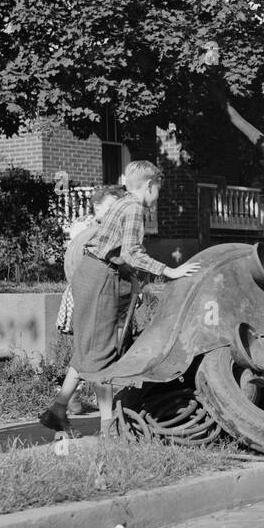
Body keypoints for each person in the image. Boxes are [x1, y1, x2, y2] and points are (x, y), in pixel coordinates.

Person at [40, 161, 200, 435]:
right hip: (101, 279)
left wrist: (131, 276)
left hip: (92, 274)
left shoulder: (122, 203)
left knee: (90, 349)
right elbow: (131, 253)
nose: (158, 196)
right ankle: (108, 427)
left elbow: (113, 249)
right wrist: (169, 271)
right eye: (158, 189)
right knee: (103, 354)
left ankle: (58, 409)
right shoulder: (134, 207)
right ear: (149, 185)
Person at [54, 184, 126, 418]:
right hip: (93, 299)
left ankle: (61, 406)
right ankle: (106, 422)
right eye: (112, 207)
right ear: (97, 208)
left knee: (85, 355)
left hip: (90, 297)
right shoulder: (96, 238)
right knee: (98, 358)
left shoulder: (95, 234)